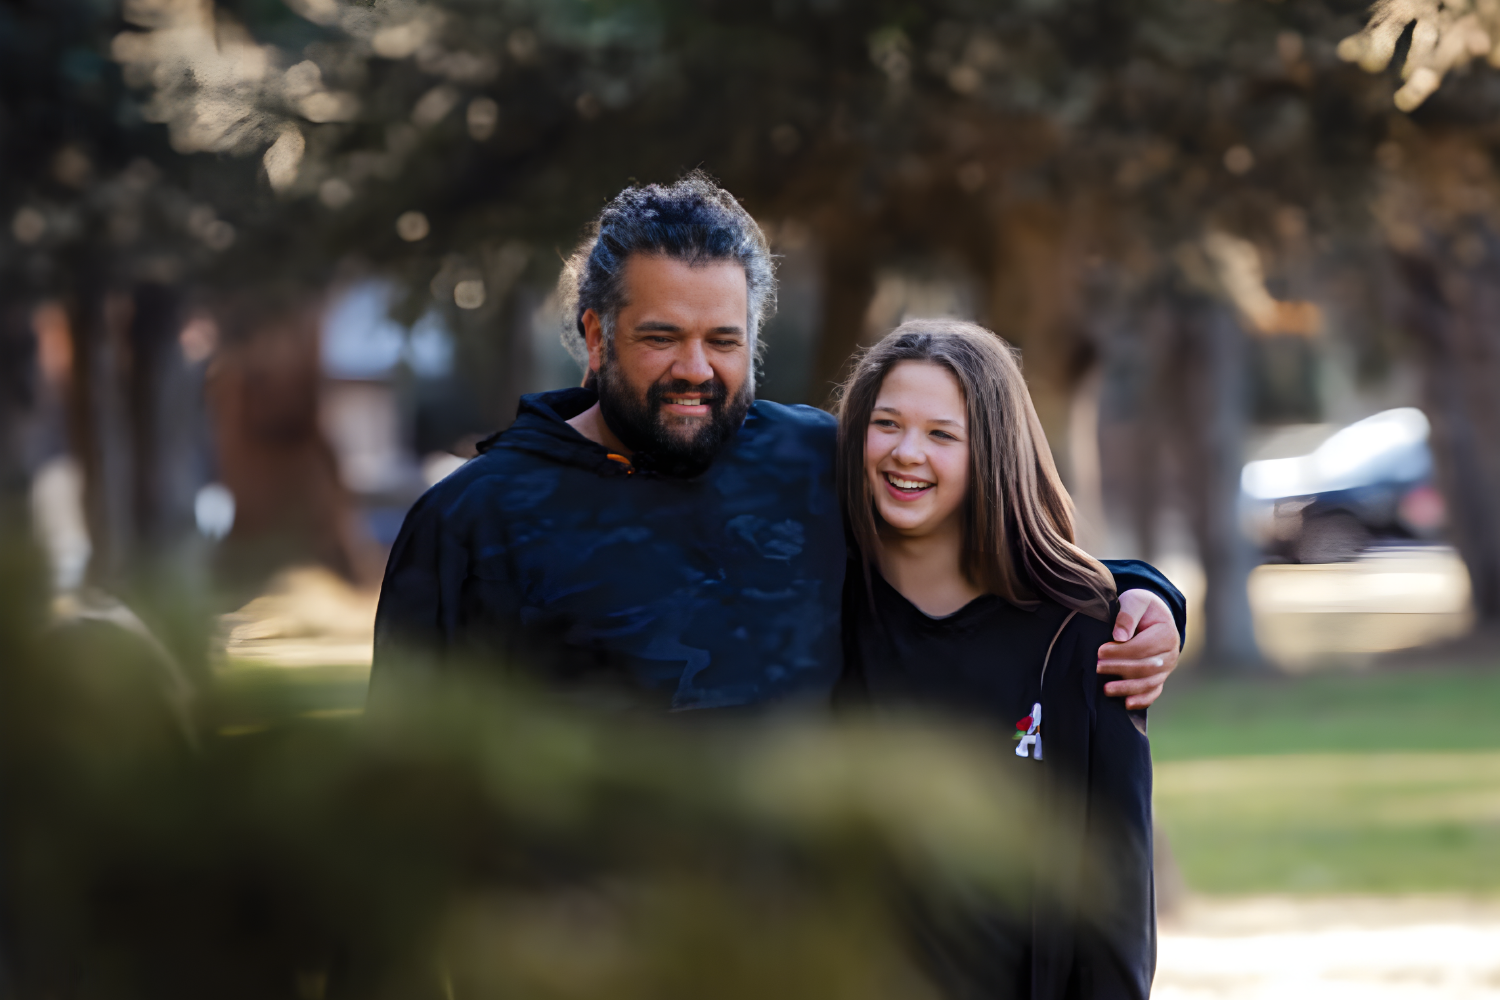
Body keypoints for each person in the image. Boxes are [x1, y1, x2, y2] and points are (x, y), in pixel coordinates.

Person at [371, 172, 1184, 713]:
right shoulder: (471, 522)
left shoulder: (816, 463)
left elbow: (993, 547)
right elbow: (399, 797)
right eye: (662, 337)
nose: (695, 369)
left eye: (723, 341)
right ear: (595, 334)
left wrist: (1146, 595)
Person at [836, 320, 1156, 999]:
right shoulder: (820, 610)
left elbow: (1114, 898)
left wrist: (1154, 597)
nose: (906, 453)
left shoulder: (1079, 636)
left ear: (993, 452)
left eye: (942, 434)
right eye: (887, 424)